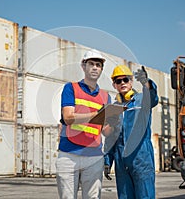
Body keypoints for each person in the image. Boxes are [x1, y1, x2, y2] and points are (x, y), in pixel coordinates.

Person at [56, 49, 113, 199]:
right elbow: (68, 117)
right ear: (83, 66)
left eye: (98, 65)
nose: (95, 67)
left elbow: (106, 131)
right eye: (91, 64)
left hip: (94, 155)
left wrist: (115, 121)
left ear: (101, 69)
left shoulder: (106, 97)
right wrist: (95, 115)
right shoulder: (71, 88)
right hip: (69, 153)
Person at [104, 65, 159, 199]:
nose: (122, 83)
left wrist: (146, 83)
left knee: (145, 196)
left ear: (131, 81)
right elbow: (111, 138)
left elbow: (153, 96)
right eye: (118, 81)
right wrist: (107, 160)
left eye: (126, 79)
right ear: (114, 85)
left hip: (141, 159)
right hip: (121, 162)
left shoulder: (142, 100)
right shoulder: (113, 109)